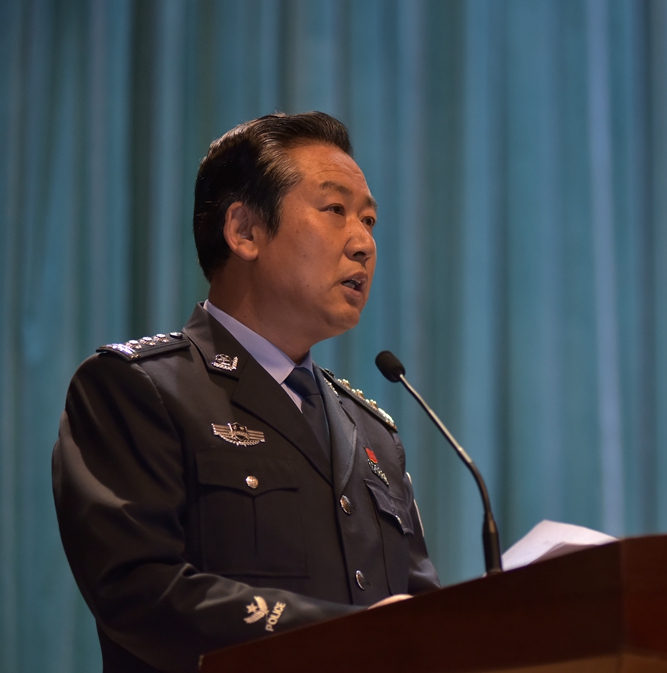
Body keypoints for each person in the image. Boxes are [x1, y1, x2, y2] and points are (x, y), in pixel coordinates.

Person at [52, 112, 440, 673]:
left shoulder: (374, 433)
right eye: (336, 210)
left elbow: (422, 619)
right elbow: (139, 592)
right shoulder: (137, 388)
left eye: (370, 220)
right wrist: (349, 636)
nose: (364, 244)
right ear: (245, 232)